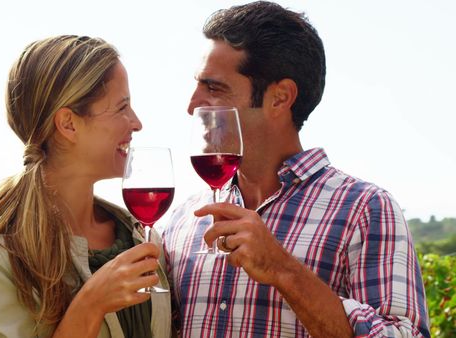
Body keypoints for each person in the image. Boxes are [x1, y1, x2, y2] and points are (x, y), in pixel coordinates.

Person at [162, 2, 430, 337]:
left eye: (214, 88)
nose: (192, 105)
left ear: (280, 97)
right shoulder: (182, 220)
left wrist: (283, 270)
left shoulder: (365, 210)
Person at [0, 35, 172, 338]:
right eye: (122, 108)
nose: (136, 122)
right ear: (68, 124)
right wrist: (90, 305)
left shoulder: (140, 236)